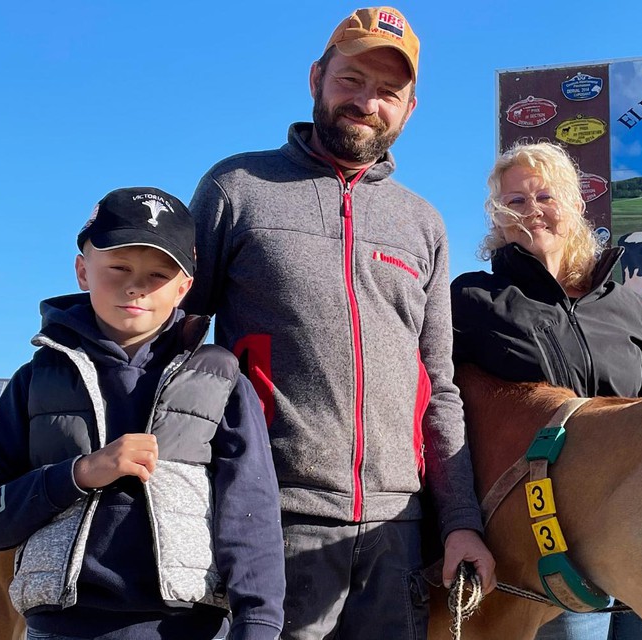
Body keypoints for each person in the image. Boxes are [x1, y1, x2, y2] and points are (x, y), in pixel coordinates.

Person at [183, 7, 495, 640]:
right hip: (271, 520)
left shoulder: (423, 223)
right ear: (316, 78)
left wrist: (461, 521)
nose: (367, 101)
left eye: (388, 92)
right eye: (351, 79)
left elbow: (439, 388)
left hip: (395, 534)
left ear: (409, 110)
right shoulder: (236, 188)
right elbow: (177, 345)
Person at [0, 187, 286, 640]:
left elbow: (251, 516)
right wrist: (79, 473)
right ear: (82, 270)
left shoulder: (222, 381)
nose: (135, 286)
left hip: (189, 630)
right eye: (117, 267)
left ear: (184, 287)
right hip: (62, 630)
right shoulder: (32, 383)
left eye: (158, 273)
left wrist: (258, 624)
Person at [451, 142, 642, 640]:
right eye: (515, 202)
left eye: (546, 197)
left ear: (576, 206)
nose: (532, 211)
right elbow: (443, 416)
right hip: (548, 548)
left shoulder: (627, 305)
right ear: (498, 217)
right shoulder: (472, 300)